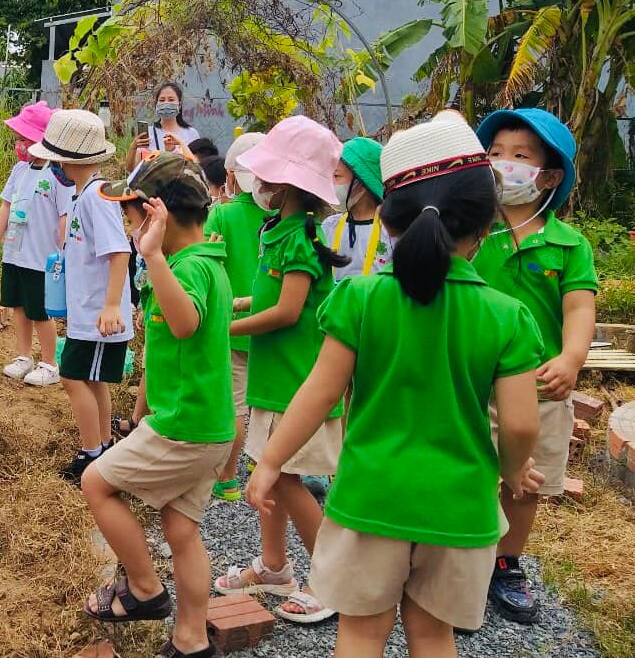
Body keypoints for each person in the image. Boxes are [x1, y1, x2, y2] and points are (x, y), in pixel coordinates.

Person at [245, 110, 545, 657]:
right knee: (433, 635)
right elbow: (522, 422)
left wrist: (269, 463)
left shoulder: (360, 300)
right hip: (460, 509)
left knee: (360, 633)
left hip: (370, 499)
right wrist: (513, 468)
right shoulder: (507, 316)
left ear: (388, 221)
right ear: (485, 224)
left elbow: (318, 393)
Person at [82, 151, 234, 658]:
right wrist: (143, 411)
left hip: (185, 426)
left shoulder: (184, 267)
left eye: (131, 217)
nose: (128, 228)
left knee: (96, 482)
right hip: (205, 425)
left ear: (156, 215)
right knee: (182, 531)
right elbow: (167, 350)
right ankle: (191, 640)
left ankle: (144, 590)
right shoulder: (207, 260)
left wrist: (151, 256)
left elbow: (186, 323)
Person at [214, 116, 350, 624]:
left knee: (288, 480)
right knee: (267, 477)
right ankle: (274, 567)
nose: (261, 186)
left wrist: (228, 329)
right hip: (274, 383)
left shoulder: (299, 239)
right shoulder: (280, 230)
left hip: (297, 384)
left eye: (269, 179)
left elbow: (290, 311)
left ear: (289, 186)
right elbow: (274, 296)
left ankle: (329, 576)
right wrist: (247, 301)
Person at [473, 108, 597, 624]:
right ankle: (461, 557)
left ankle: (506, 563)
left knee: (525, 483)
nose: (503, 164)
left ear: (548, 176)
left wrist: (572, 358)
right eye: (494, 153)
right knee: (473, 473)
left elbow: (579, 307)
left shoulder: (569, 245)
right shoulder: (470, 235)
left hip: (540, 389)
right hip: (472, 384)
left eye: (519, 156)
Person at [28, 110, 133, 483]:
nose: (53, 165)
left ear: (70, 161)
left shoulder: (97, 199)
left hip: (98, 317)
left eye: (56, 158)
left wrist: (109, 306)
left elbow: (119, 252)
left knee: (73, 377)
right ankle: (101, 448)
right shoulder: (84, 195)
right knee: (90, 380)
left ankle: (91, 455)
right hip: (87, 314)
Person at [202, 131, 266, 501]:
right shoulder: (282, 217)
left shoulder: (222, 215)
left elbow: (209, 262)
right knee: (266, 402)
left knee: (237, 405)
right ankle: (261, 460)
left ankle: (227, 478)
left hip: (234, 323)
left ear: (230, 177)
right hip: (272, 321)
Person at [0, 101, 67, 386]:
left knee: (41, 311)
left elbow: (63, 216)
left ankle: (50, 362)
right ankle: (23, 355)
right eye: (18, 140)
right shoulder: (19, 171)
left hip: (40, 258)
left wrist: (62, 251)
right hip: (15, 254)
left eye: (24, 139)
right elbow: (6, 206)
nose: (19, 145)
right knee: (19, 307)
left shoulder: (57, 175)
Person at [322, 137, 394, 281]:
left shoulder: (389, 231)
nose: (331, 183)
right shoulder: (329, 227)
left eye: (337, 176)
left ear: (361, 185)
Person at [125, 81, 202, 171]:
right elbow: (131, 169)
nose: (166, 103)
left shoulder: (191, 133)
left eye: (171, 100)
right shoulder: (148, 133)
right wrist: (133, 148)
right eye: (162, 100)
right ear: (156, 104)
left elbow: (198, 168)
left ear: (179, 104)